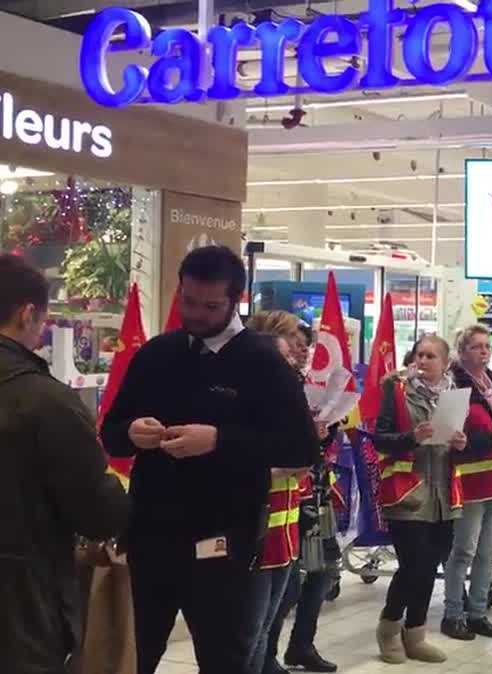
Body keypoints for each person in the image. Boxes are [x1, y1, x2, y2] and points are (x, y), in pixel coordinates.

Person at [101, 246, 318, 674]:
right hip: (150, 535)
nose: (196, 313)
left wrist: (219, 440)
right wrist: (130, 433)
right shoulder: (156, 354)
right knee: (132, 655)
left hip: (223, 542)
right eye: (188, 300)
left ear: (235, 299)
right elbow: (111, 432)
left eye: (210, 305)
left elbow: (300, 447)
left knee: (224, 659)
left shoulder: (261, 362)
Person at [0, 254, 130, 672]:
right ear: (27, 314)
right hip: (22, 610)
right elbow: (98, 514)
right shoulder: (47, 402)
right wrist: (125, 483)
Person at [373, 334, 466, 664]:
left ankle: (415, 633)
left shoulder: (455, 395)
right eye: (419, 355)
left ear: (445, 363)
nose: (423, 361)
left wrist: (460, 443)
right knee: (413, 565)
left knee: (430, 566)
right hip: (407, 493)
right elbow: (380, 439)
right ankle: (388, 627)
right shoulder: (396, 391)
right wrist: (412, 437)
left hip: (444, 495)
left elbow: (460, 442)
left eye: (430, 356)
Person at [263, 319, 340, 674]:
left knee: (323, 570)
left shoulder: (305, 382)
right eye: (296, 340)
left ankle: (301, 644)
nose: (303, 347)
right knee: (285, 583)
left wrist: (323, 429)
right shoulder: (270, 382)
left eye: (306, 342)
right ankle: (265, 655)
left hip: (315, 486)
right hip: (283, 495)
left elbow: (319, 443)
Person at [442, 325, 492, 641]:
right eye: (476, 346)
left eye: (487, 346)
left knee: (488, 550)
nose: (484, 351)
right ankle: (453, 614)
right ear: (462, 352)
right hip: (468, 479)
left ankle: (477, 613)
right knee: (464, 550)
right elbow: (450, 436)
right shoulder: (453, 387)